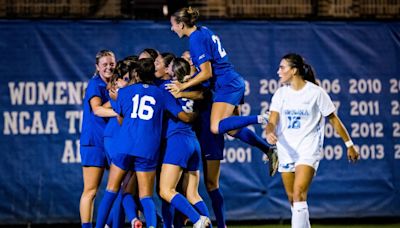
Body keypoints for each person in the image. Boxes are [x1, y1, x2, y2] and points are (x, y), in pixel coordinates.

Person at [94, 58, 199, 228]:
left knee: (111, 190)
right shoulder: (161, 93)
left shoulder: (125, 92)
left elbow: (121, 120)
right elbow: (179, 114)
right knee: (146, 196)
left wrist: (114, 100)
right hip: (148, 148)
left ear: (136, 73)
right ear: (153, 74)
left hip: (125, 145)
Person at [265, 53, 360, 228]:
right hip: (285, 150)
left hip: (308, 149)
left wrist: (349, 145)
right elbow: (272, 121)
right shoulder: (280, 93)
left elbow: (334, 120)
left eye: (282, 67)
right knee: (294, 201)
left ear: (294, 70)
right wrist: (269, 132)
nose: (278, 71)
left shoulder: (316, 93)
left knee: (299, 193)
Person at [159, 57, 211, 228]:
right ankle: (207, 224)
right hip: (193, 142)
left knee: (166, 191)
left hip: (177, 141)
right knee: (193, 194)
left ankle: (197, 220)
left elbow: (181, 115)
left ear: (172, 71)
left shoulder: (166, 88)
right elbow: (203, 94)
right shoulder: (193, 87)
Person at [79, 50, 117, 228]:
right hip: (94, 142)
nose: (109, 67)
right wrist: (120, 110)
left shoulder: (116, 84)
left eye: (111, 63)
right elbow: (97, 109)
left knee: (119, 189)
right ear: (97, 67)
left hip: (111, 142)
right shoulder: (95, 84)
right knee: (91, 190)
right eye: (105, 64)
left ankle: (107, 224)